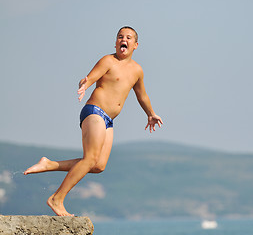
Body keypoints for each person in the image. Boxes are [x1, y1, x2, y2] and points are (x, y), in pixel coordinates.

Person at [24, 26, 163, 216]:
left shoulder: (137, 70)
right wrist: (84, 85)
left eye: (128, 37)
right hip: (94, 112)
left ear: (135, 45)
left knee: (98, 166)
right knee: (89, 159)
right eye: (120, 37)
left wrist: (150, 113)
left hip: (108, 121)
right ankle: (57, 199)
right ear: (116, 42)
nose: (124, 39)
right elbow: (91, 76)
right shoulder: (108, 60)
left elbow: (142, 95)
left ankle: (49, 164)